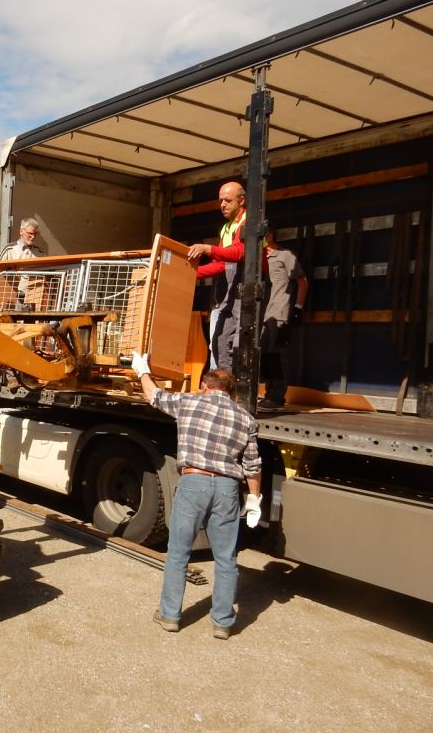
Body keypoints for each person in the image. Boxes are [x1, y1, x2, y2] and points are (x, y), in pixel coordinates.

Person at [131, 351, 262, 639]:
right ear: (232, 393)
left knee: (178, 552)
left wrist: (142, 370)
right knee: (226, 558)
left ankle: (169, 616)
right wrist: (254, 499)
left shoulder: (189, 402)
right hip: (227, 488)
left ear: (204, 386)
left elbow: (154, 396)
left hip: (193, 483)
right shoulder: (246, 419)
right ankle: (223, 623)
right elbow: (253, 466)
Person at [187, 182, 248, 372]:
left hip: (247, 290)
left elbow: (239, 253)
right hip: (230, 292)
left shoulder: (247, 222)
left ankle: (237, 384)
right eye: (220, 200)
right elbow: (221, 265)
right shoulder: (226, 228)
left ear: (242, 200)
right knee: (219, 341)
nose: (222, 205)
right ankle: (223, 385)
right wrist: (190, 274)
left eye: (228, 200)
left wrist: (207, 249)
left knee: (241, 344)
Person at [258, 229, 308, 411]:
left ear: (270, 235)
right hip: (266, 314)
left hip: (281, 312)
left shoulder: (285, 255)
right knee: (265, 354)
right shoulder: (260, 259)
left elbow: (303, 282)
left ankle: (277, 396)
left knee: (277, 354)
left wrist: (298, 308)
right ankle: (269, 393)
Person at [0, 217, 46, 310]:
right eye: (30, 233)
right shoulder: (9, 250)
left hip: (34, 297)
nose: (33, 237)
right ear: (21, 232)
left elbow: (47, 275)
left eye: (35, 234)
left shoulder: (40, 253)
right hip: (13, 296)